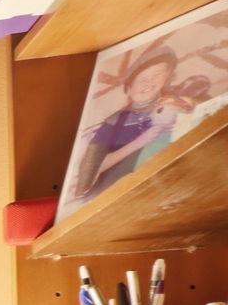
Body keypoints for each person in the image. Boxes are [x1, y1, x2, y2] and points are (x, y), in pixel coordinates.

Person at [70, 49, 179, 206]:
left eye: (157, 75)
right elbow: (89, 170)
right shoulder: (112, 122)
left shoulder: (169, 109)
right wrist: (139, 142)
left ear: (166, 78)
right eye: (142, 79)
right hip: (113, 196)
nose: (149, 83)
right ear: (128, 89)